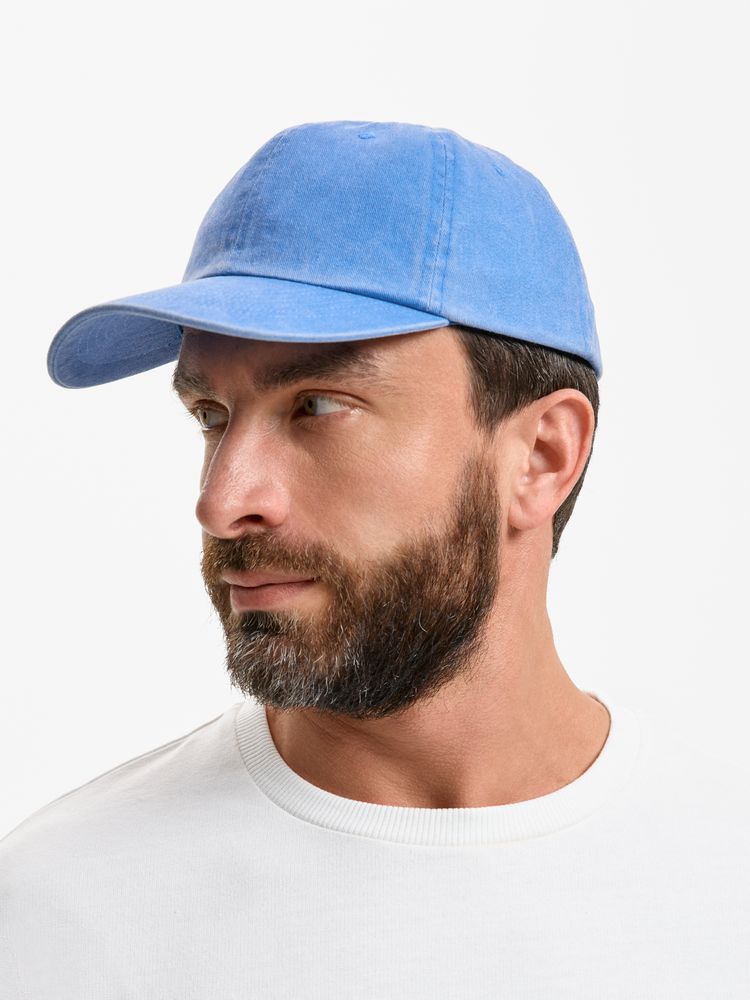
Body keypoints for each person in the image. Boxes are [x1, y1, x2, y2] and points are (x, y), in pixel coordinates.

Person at [2, 121, 747, 997]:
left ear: (541, 457)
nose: (222, 499)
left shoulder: (722, 875)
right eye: (211, 415)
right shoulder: (61, 920)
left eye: (318, 405)